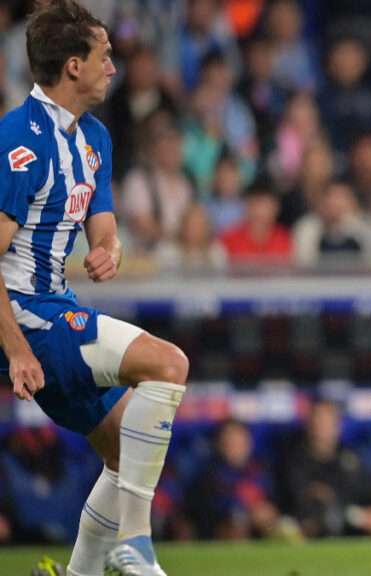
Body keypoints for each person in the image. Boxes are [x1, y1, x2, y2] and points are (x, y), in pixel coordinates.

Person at [0, 2, 189, 575]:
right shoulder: (19, 141)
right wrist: (16, 349)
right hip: (27, 316)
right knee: (168, 363)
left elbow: (102, 227)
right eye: (106, 56)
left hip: (58, 306)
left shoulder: (96, 139)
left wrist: (110, 251)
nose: (115, 66)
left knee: (124, 452)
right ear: (75, 65)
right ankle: (136, 545)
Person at [276, 400, 371, 538]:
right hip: (312, 533)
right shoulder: (294, 461)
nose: (321, 426)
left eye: (327, 421)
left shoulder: (350, 459)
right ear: (308, 424)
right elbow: (312, 498)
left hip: (352, 530)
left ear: (337, 425)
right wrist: (359, 517)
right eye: (317, 420)